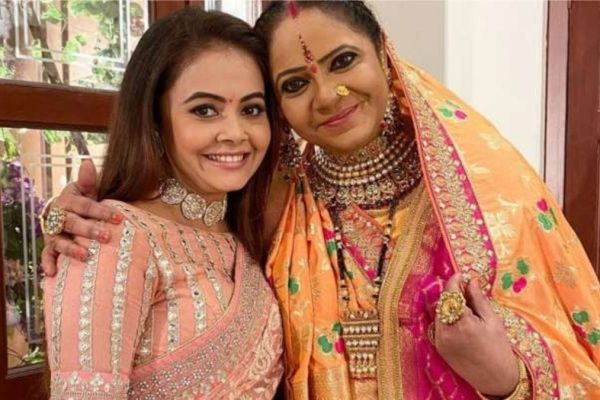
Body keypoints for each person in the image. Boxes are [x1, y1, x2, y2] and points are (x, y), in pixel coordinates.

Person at [42, 1, 600, 399]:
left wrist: (506, 379)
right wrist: (79, 216)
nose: (328, 95)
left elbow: (578, 354)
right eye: (294, 84)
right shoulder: (276, 201)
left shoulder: (486, 198)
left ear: (384, 56)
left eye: (343, 61)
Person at [41, 8, 283, 399]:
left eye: (251, 110)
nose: (235, 132)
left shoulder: (246, 230)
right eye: (205, 110)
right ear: (154, 121)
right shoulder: (110, 235)